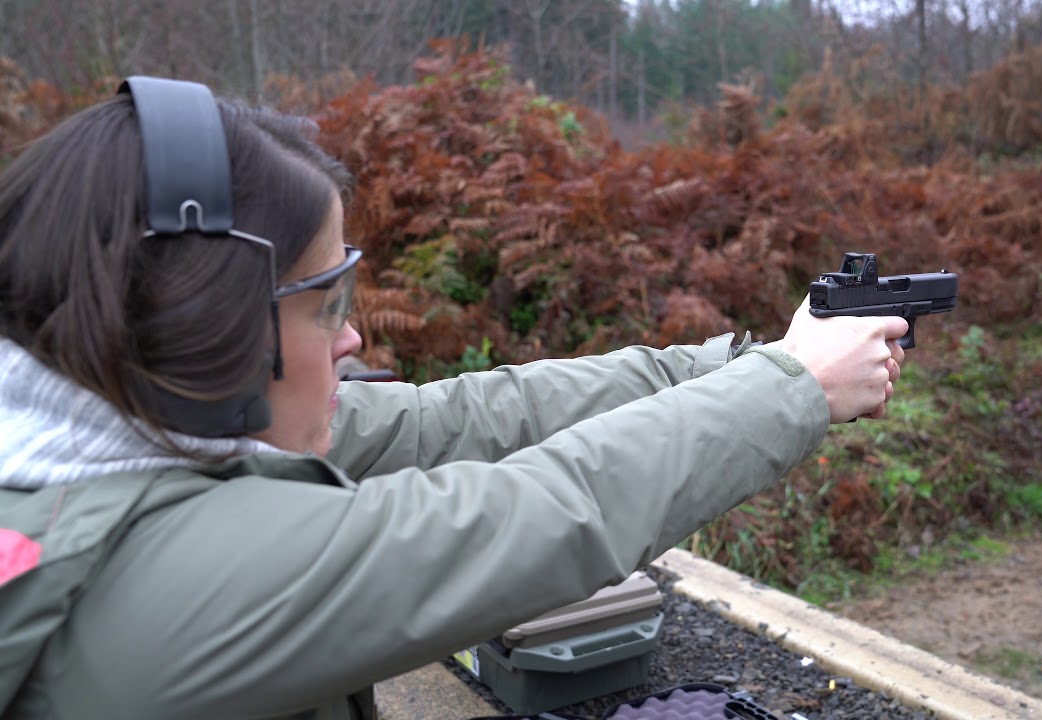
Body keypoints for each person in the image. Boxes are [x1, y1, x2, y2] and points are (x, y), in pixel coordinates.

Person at [0, 77, 906, 720]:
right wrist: (792, 391)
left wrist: (740, 363)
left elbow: (463, 421)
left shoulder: (99, 440)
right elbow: (539, 514)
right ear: (205, 327)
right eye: (326, 305)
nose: (352, 339)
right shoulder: (161, 594)